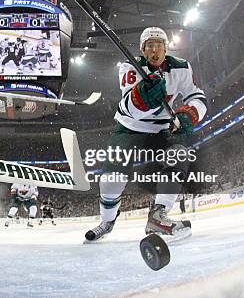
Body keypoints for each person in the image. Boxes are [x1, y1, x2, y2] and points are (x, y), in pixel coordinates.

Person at [84, 27, 207, 242]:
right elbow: (127, 104)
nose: (155, 50)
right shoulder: (130, 67)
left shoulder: (182, 67)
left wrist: (190, 115)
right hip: (129, 127)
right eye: (150, 45)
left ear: (166, 48)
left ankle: (158, 216)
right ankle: (107, 221)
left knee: (179, 155)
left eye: (159, 45)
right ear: (143, 49)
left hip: (161, 129)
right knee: (111, 179)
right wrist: (141, 98)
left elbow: (197, 96)